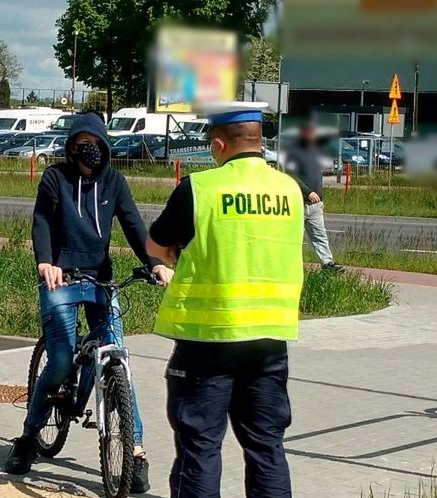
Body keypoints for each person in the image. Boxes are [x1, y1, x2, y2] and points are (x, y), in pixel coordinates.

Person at [5, 113, 173, 494]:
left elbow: (133, 226)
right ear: (71, 146)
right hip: (60, 277)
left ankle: (136, 451)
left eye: (95, 142)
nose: (90, 148)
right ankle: (29, 437)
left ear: (104, 144)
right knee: (62, 360)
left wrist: (156, 264)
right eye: (82, 142)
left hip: (100, 279)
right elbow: (42, 220)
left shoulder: (114, 181)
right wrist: (45, 261)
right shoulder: (55, 178)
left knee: (118, 360)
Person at [146, 102, 304, 498]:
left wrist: (177, 257)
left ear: (218, 144)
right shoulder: (291, 191)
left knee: (200, 449)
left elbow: (155, 244)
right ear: (259, 140)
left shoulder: (200, 189)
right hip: (269, 340)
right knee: (267, 448)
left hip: (208, 340)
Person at [285, 120, 342, 271]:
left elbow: (317, 177)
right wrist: (308, 192)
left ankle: (327, 263)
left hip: (316, 205)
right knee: (294, 237)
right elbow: (291, 176)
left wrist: (320, 198)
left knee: (320, 235)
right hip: (299, 203)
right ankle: (289, 265)